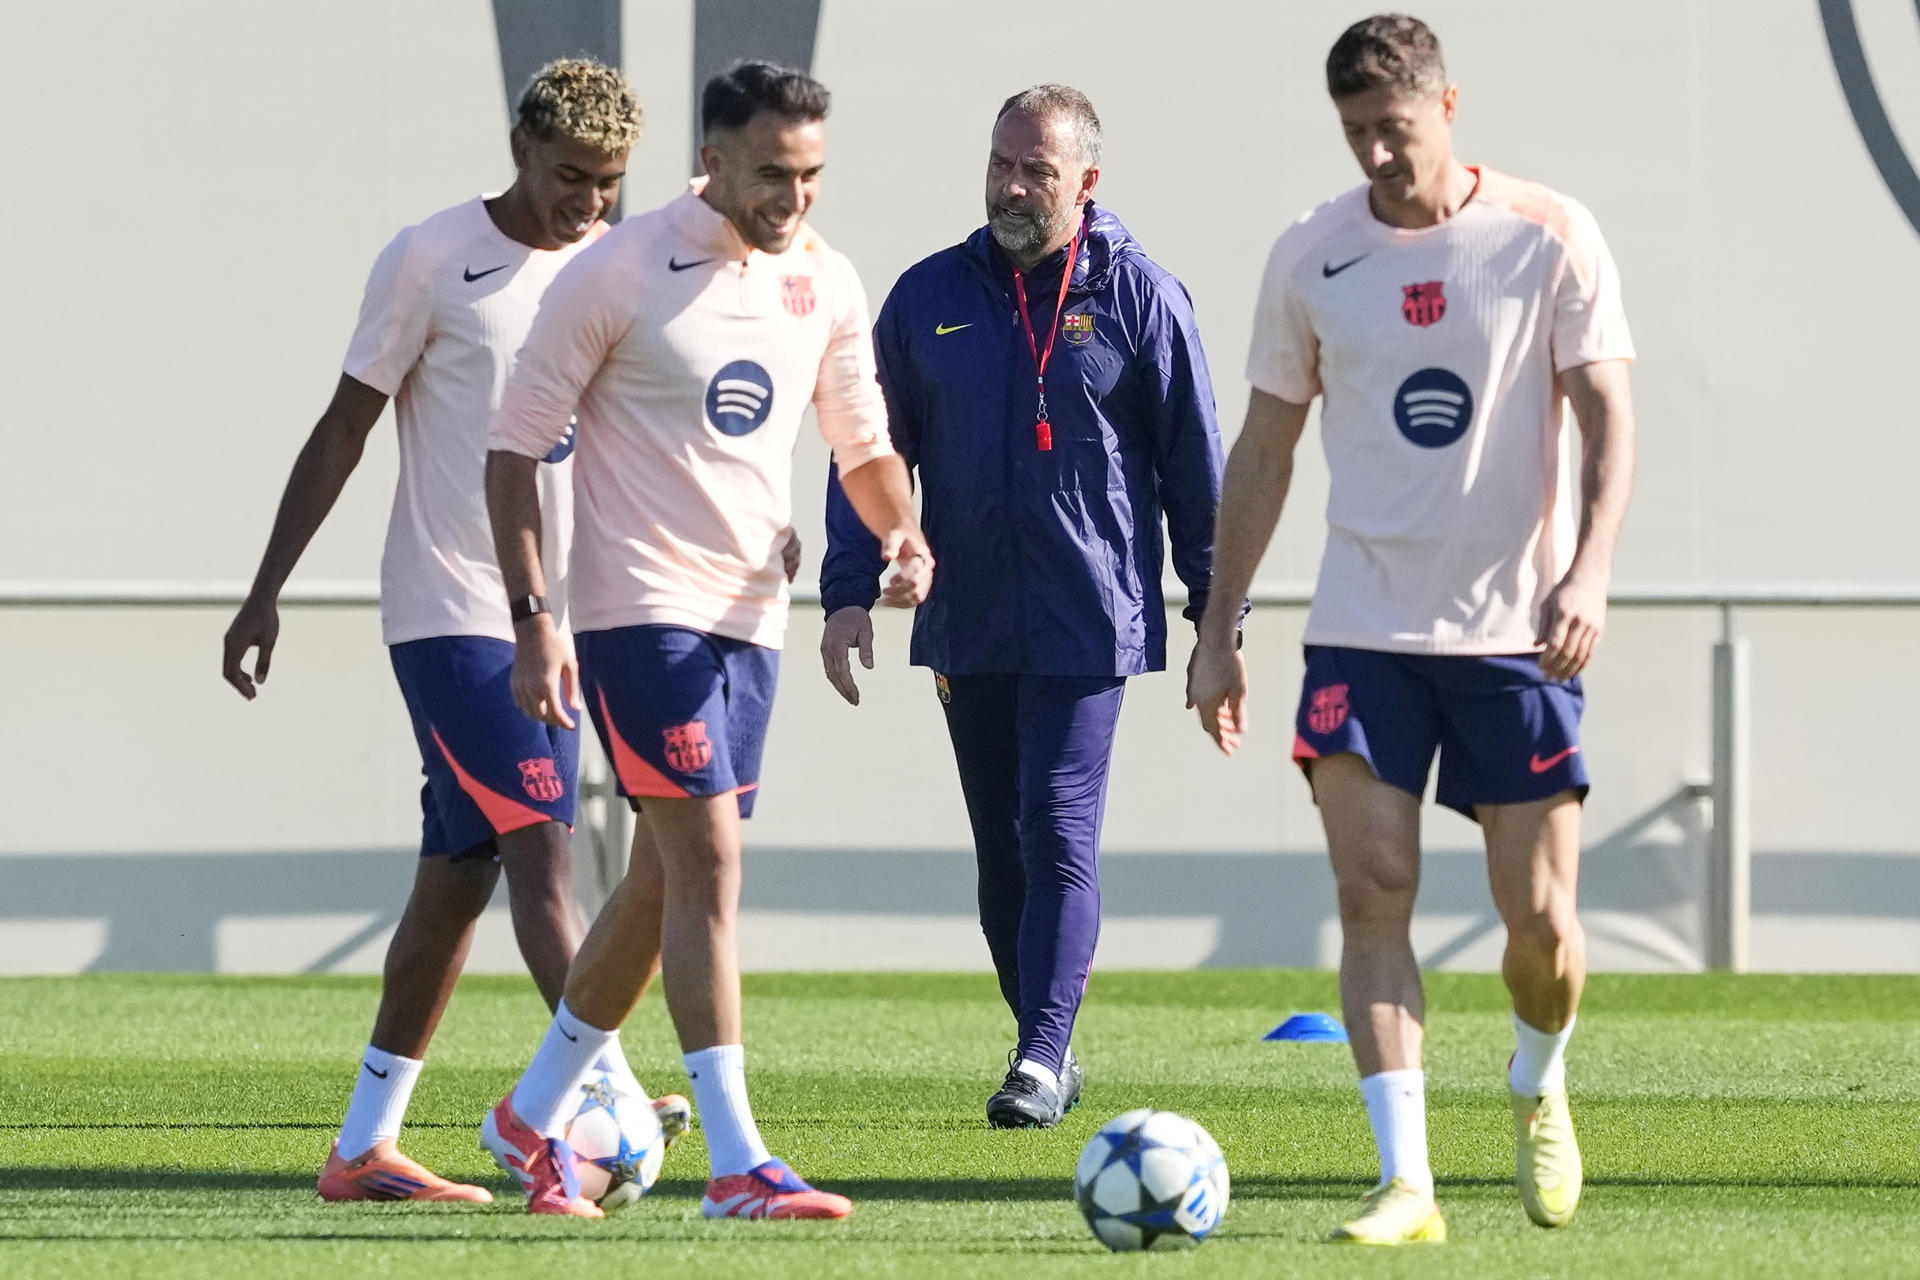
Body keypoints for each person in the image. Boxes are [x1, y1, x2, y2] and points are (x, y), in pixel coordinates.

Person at [1187, 14, 1637, 1245]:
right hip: (1364, 628)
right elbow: (1265, 452)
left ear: (1449, 107)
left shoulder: (1548, 233)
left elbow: (1608, 420)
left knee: (1538, 921)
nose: (1378, 154)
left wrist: (1588, 572)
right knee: (1371, 890)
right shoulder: (1312, 254)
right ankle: (1408, 1182)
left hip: (1516, 632)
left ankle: (1539, 1077)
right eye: (1355, 134)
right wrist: (1220, 625)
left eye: (1394, 127)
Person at [217, 60, 700, 1203]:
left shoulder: (613, 267)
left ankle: (363, 1145)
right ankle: (604, 1095)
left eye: (610, 184)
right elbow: (345, 423)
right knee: (543, 837)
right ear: (523, 147)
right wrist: (264, 587)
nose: (587, 202)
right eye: (571, 177)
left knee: (457, 870)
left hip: (567, 620)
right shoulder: (432, 256)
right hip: (452, 609)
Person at [477, 60, 931, 1219]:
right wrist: (535, 620)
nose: (795, 196)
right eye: (774, 172)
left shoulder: (826, 280)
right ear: (714, 159)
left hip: (749, 620)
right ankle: (738, 1161)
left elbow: (861, 443)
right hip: (638, 614)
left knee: (664, 879)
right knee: (713, 868)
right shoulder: (616, 271)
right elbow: (512, 451)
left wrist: (903, 532)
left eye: (812, 175)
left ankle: (528, 1113)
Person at [819, 86, 1228, 1129]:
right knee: (1002, 849)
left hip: (1089, 621)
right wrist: (849, 586)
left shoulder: (1140, 296)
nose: (1010, 185)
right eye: (1001, 162)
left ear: (1086, 182)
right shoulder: (928, 297)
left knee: (1057, 826)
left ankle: (1041, 1055)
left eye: (1035, 170)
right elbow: (869, 447)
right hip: (969, 620)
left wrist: (1215, 624)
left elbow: (1197, 472)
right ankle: (1045, 1043)